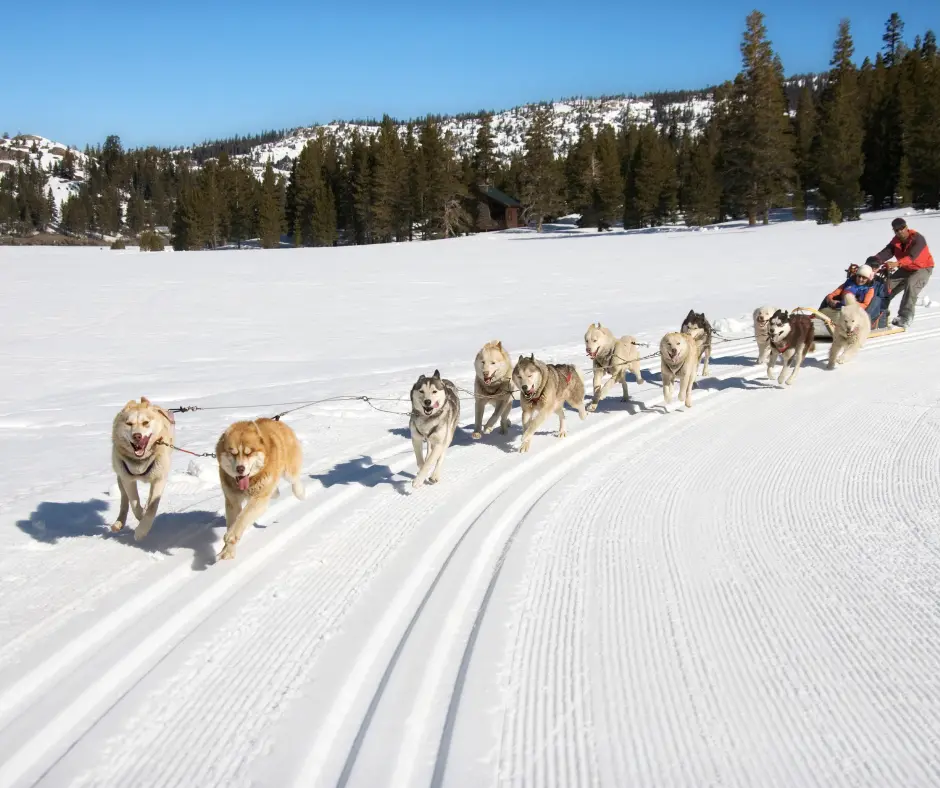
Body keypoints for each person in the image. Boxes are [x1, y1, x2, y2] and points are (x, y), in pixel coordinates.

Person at [870, 217, 934, 328]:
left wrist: (896, 264)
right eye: (896, 230)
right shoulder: (895, 242)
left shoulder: (918, 239)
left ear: (906, 227)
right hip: (906, 268)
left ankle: (905, 317)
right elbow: (885, 253)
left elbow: (912, 257)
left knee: (911, 284)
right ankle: (880, 314)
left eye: (902, 228)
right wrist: (873, 262)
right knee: (886, 287)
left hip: (923, 268)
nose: (900, 231)